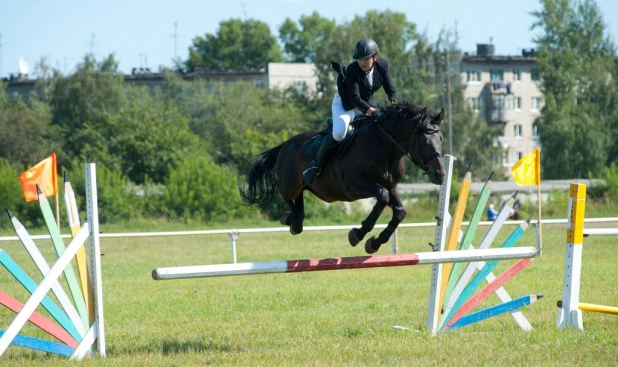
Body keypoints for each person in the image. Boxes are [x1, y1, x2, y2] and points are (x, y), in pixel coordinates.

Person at [303, 38, 399, 185]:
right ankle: (315, 165)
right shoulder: (353, 70)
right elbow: (354, 98)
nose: (362, 62)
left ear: (375, 57)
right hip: (345, 103)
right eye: (359, 59)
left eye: (366, 58)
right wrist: (371, 111)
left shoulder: (383, 65)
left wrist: (395, 104)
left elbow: (390, 90)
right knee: (339, 132)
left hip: (366, 102)